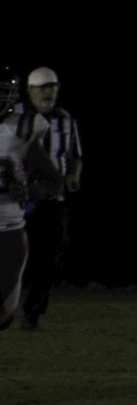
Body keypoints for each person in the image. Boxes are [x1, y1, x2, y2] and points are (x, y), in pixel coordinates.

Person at [18, 67, 82, 330]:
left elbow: (76, 155)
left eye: (52, 87)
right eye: (43, 87)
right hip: (20, 200)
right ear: (30, 90)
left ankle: (32, 312)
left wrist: (74, 176)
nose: (48, 92)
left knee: (49, 258)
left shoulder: (66, 120)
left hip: (53, 200)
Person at [0, 68, 50, 330]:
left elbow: (52, 181)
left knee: (4, 314)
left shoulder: (25, 126)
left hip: (9, 231)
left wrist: (28, 192)